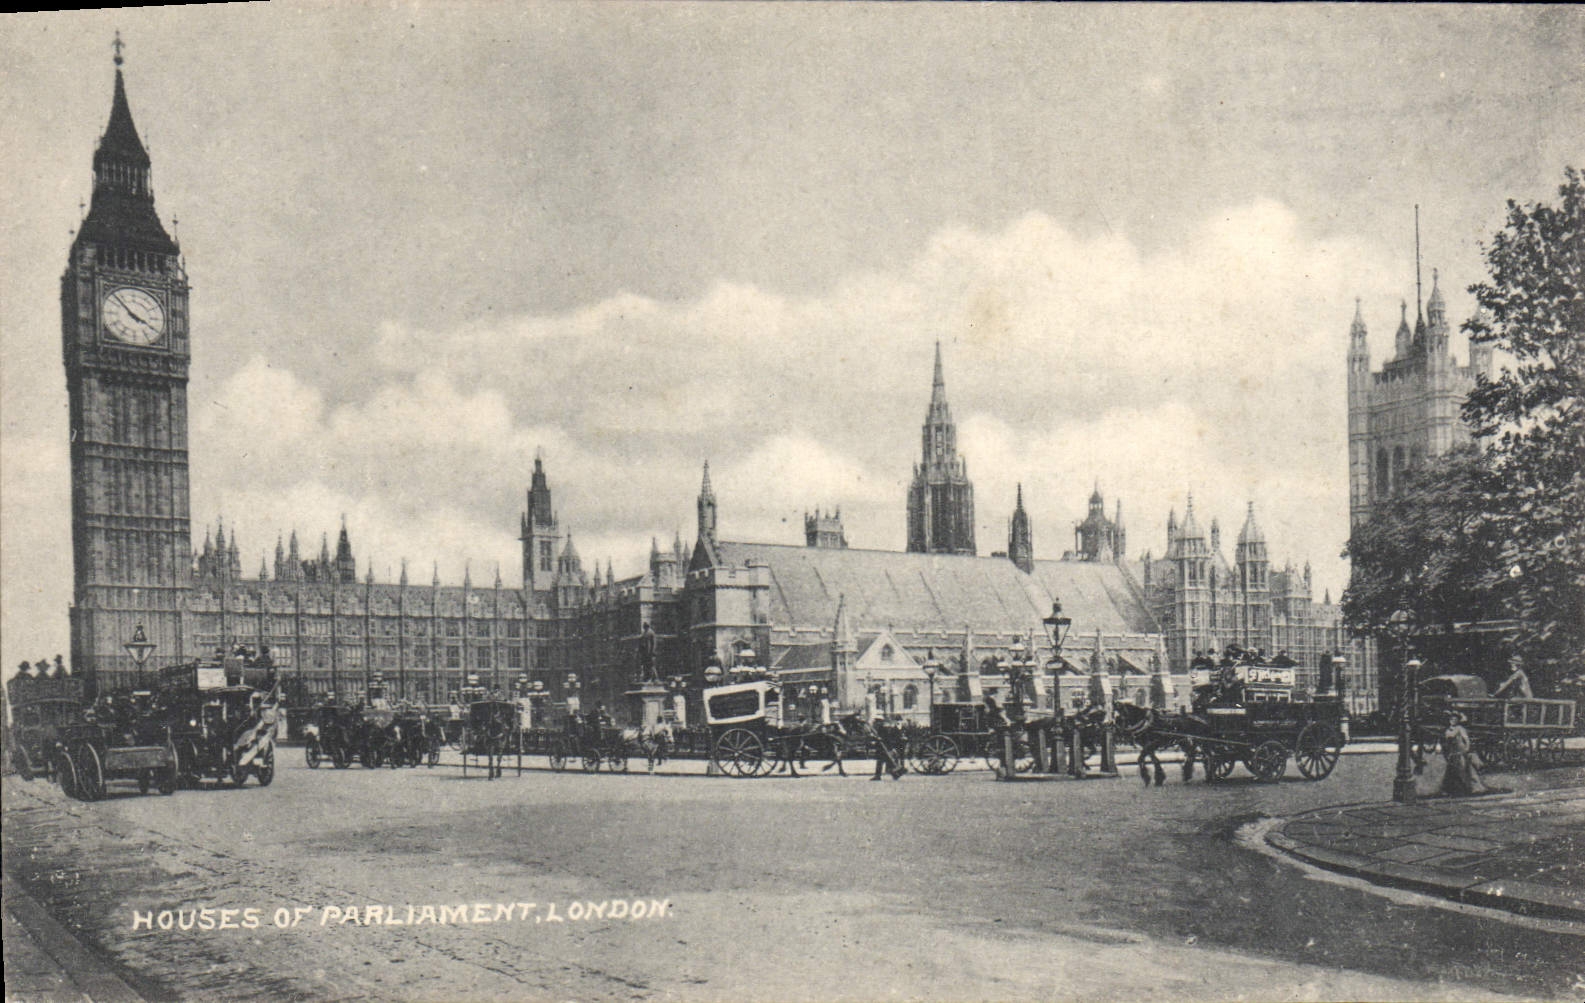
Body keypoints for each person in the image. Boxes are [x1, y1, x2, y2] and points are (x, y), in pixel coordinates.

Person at [1438, 711, 1487, 796]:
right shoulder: (1447, 730)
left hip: (1460, 751)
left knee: (1463, 769)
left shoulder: (1460, 728)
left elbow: (1466, 739)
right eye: (1451, 719)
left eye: (1455, 719)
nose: (1453, 721)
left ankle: (1471, 788)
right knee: (1451, 771)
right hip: (1452, 752)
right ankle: (1450, 790)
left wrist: (1467, 748)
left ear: (1458, 721)